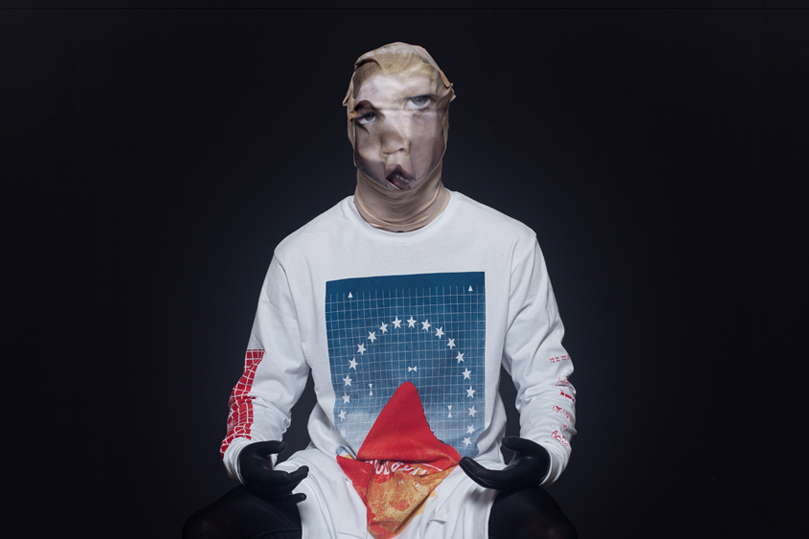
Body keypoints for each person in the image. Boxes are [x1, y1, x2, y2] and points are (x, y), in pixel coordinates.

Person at [184, 42, 577, 539]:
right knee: (211, 531)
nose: (396, 143)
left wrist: (545, 449)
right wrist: (245, 452)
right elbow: (263, 388)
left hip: (465, 482)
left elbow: (544, 377)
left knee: (547, 534)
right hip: (335, 486)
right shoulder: (302, 254)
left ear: (444, 118)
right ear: (351, 126)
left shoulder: (508, 245)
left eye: (420, 106)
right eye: (371, 115)